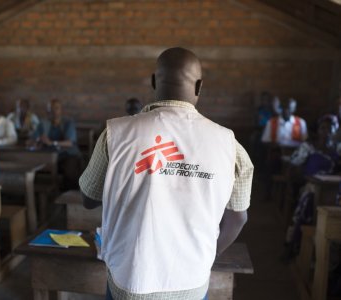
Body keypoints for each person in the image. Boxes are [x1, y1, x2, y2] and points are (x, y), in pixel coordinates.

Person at [79, 47, 253, 300]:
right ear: (199, 86)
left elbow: (88, 198)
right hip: (191, 282)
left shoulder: (115, 134)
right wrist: (205, 256)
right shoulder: (230, 146)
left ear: (153, 82)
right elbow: (238, 218)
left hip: (130, 279)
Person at [283, 114, 339, 259]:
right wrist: (292, 182)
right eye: (323, 128)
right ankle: (293, 242)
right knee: (308, 199)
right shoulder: (308, 146)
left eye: (331, 129)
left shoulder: (337, 150)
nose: (327, 132)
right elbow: (293, 165)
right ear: (318, 130)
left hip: (332, 188)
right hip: (309, 186)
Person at [30, 98, 81, 190]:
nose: (53, 111)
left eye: (56, 108)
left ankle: (68, 196)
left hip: (67, 155)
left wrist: (52, 142)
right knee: (34, 170)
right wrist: (38, 140)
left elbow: (70, 142)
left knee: (69, 172)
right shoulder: (43, 123)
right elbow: (32, 140)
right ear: (47, 111)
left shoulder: (68, 123)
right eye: (50, 109)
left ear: (61, 110)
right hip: (48, 156)